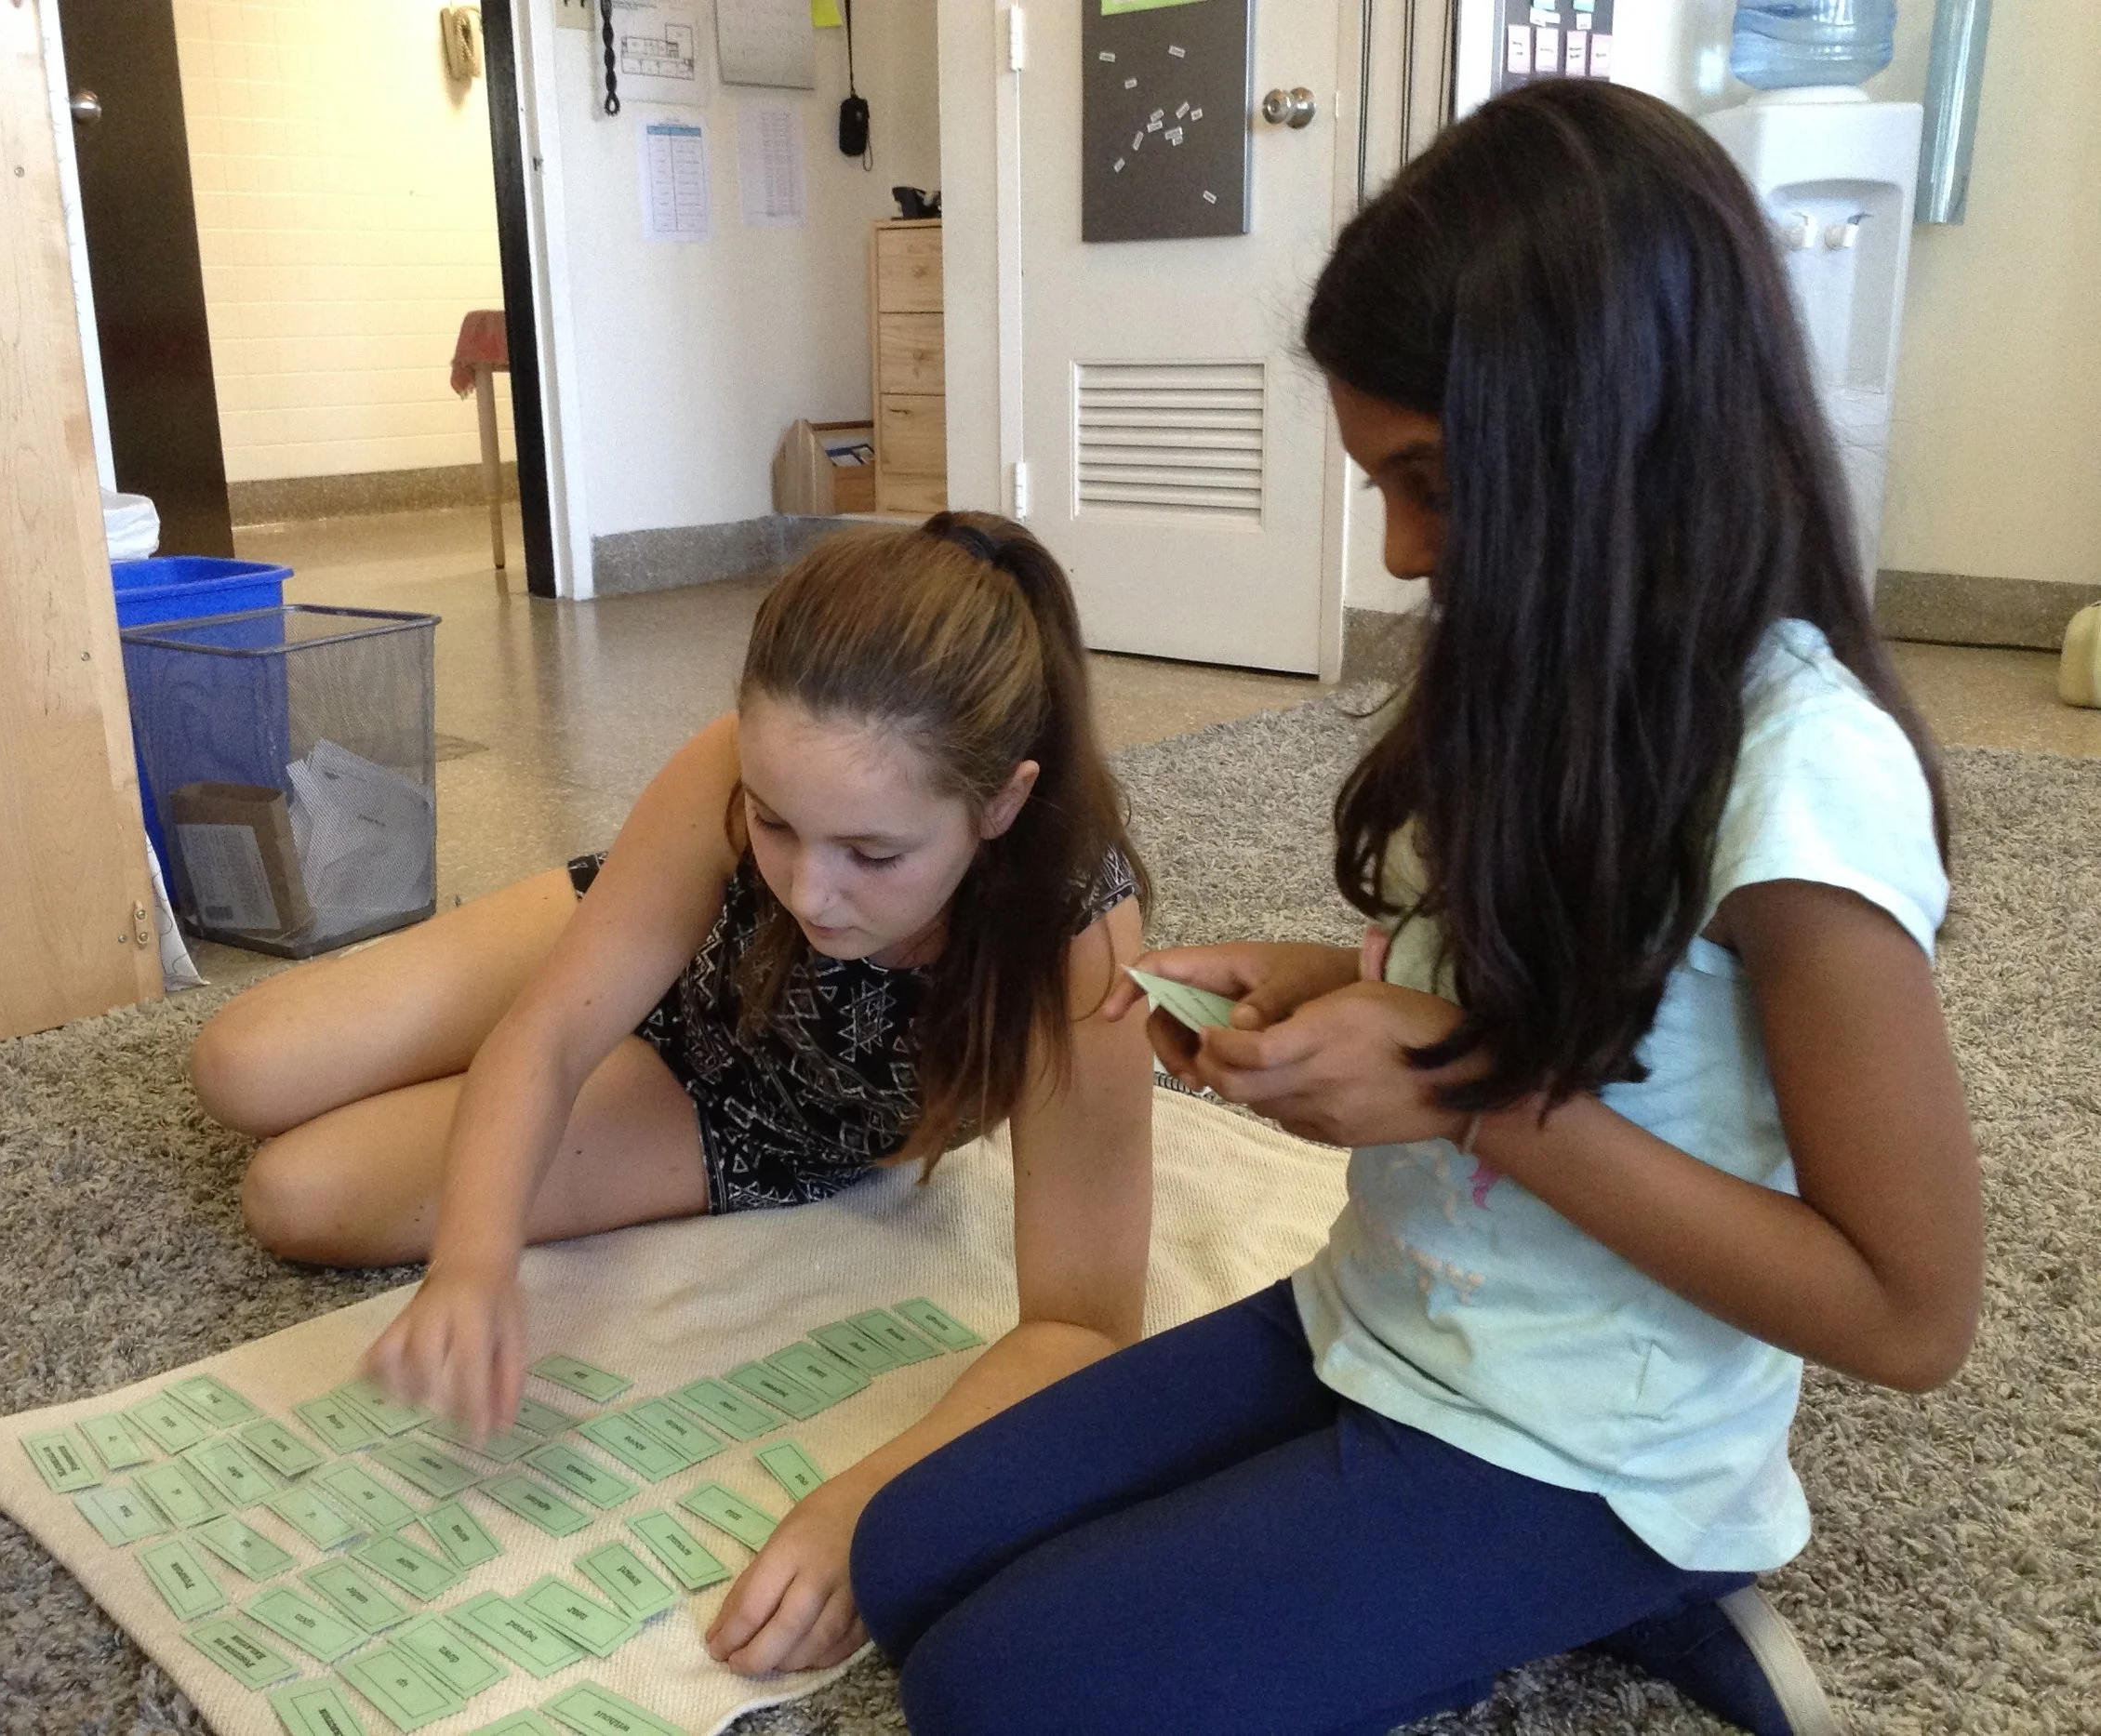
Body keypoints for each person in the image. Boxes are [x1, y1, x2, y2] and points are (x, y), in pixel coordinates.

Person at [848, 81, 1981, 1736]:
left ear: (1612, 435)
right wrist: (1320, 989)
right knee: (907, 1556)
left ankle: (1657, 1565)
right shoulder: (1539, 653)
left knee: (997, 1692)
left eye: (1430, 483)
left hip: (1577, 1446)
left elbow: (1910, 1309)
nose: (1394, 551)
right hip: (1375, 1320)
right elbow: (1529, 988)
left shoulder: (1805, 778)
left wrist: (1462, 1091)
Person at [189, 513, 1156, 1676]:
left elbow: (1083, 1321)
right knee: (241, 1060)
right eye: (775, 822)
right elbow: (552, 1034)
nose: (810, 891)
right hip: (669, 951)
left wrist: (872, 1500)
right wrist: (476, 1262)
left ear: (1000, 804)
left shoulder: (1076, 932)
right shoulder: (736, 772)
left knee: (297, 1192)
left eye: (873, 854)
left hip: (750, 1104)